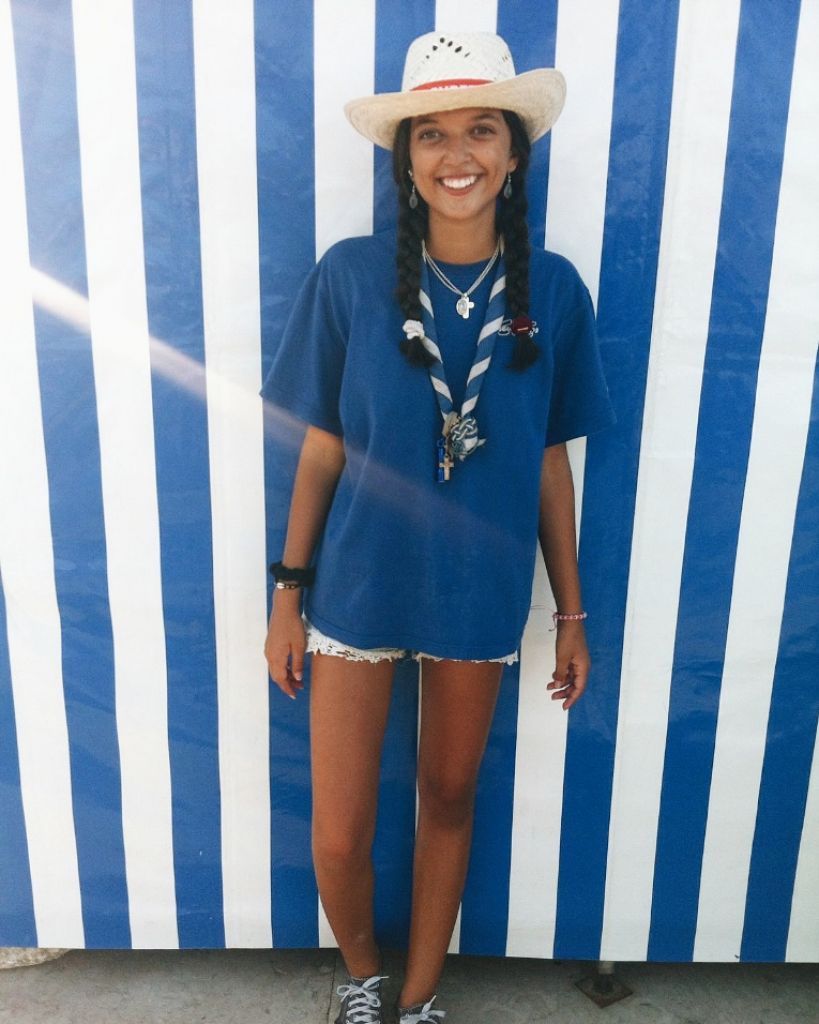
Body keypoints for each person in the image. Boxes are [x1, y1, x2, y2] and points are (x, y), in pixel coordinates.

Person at [262, 30, 616, 1024]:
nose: (457, 154)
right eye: (432, 134)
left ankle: (419, 1000)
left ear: (514, 153)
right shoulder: (349, 276)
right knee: (340, 830)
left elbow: (548, 462)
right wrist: (287, 592)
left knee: (447, 799)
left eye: (481, 130)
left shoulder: (555, 290)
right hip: (358, 582)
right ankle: (363, 979)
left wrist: (572, 613)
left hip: (479, 590)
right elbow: (321, 446)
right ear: (405, 159)